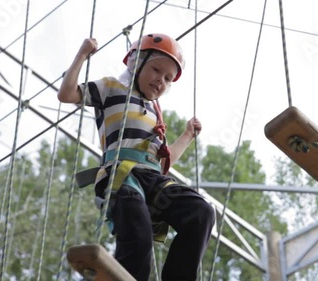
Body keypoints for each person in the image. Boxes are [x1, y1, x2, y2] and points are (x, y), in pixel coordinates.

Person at [58, 34, 216, 281]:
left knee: (201, 212)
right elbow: (67, 95)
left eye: (167, 78)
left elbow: (163, 162)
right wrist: (82, 55)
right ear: (135, 63)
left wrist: (187, 136)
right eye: (155, 70)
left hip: (151, 176)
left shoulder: (156, 114)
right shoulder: (111, 88)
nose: (160, 81)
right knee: (138, 232)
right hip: (121, 175)